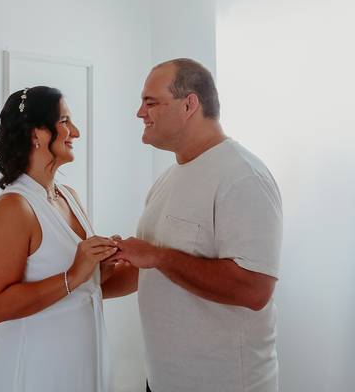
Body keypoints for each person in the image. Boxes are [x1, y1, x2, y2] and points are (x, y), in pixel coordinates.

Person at [103, 58, 283, 392]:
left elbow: (255, 290)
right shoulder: (166, 180)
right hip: (162, 381)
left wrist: (159, 256)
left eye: (150, 102)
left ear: (189, 105)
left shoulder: (243, 176)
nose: (140, 113)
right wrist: (86, 284)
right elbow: (149, 271)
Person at [0, 86, 117, 392]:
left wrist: (112, 263)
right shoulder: (14, 207)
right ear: (36, 134)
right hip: (36, 370)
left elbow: (87, 288)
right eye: (65, 121)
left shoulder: (70, 197)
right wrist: (74, 274)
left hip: (83, 366)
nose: (76, 132)